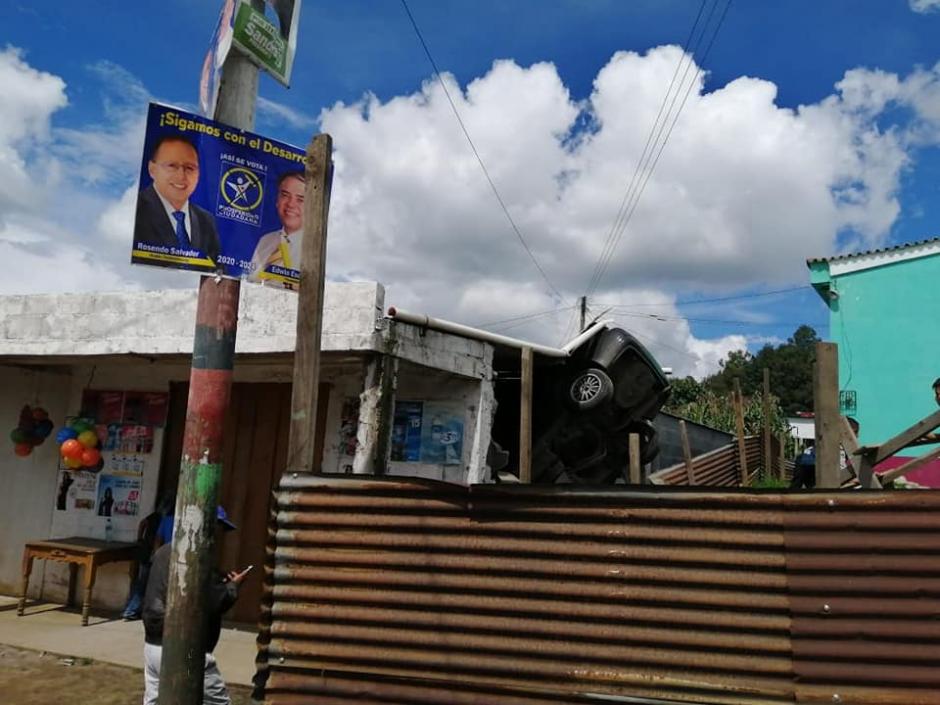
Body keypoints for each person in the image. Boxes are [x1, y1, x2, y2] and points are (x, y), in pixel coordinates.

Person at [142, 506, 248, 705]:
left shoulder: (165, 551)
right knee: (217, 703)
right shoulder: (195, 557)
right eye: (216, 529)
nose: (218, 537)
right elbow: (213, 603)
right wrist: (233, 587)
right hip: (185, 648)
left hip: (153, 643)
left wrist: (217, 579)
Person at [132, 135, 221, 264]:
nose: (181, 176)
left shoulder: (206, 221)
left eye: (190, 168)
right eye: (172, 166)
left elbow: (216, 268)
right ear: (152, 169)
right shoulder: (136, 211)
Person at [248, 171, 305, 287]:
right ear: (277, 201)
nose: (290, 204)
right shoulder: (266, 240)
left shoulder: (314, 251)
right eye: (285, 195)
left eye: (300, 199)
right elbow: (251, 280)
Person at [122, 496, 174, 621]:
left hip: (151, 555)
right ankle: (132, 610)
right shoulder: (165, 518)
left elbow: (148, 529)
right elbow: (158, 538)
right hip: (156, 556)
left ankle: (131, 609)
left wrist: (141, 539)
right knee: (148, 584)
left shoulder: (159, 517)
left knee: (142, 584)